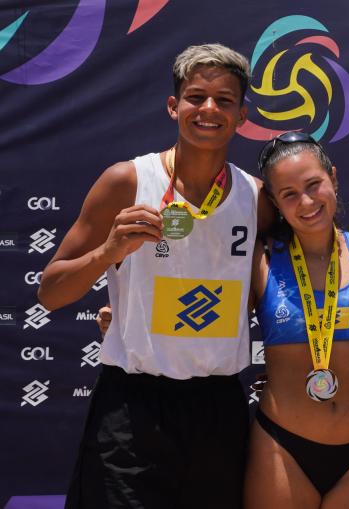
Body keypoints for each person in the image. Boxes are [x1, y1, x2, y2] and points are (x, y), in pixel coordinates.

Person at [38, 44, 271, 509]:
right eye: (196, 96)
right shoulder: (127, 180)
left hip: (218, 407)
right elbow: (50, 293)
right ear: (173, 106)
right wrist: (109, 252)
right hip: (133, 407)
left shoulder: (257, 197)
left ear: (242, 114)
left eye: (224, 100)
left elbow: (259, 294)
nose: (209, 109)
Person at [244, 133, 349, 509]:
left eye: (313, 185)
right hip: (282, 446)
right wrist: (130, 320)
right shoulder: (260, 261)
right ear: (275, 202)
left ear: (333, 178)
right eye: (289, 194)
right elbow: (211, 326)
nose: (306, 202)